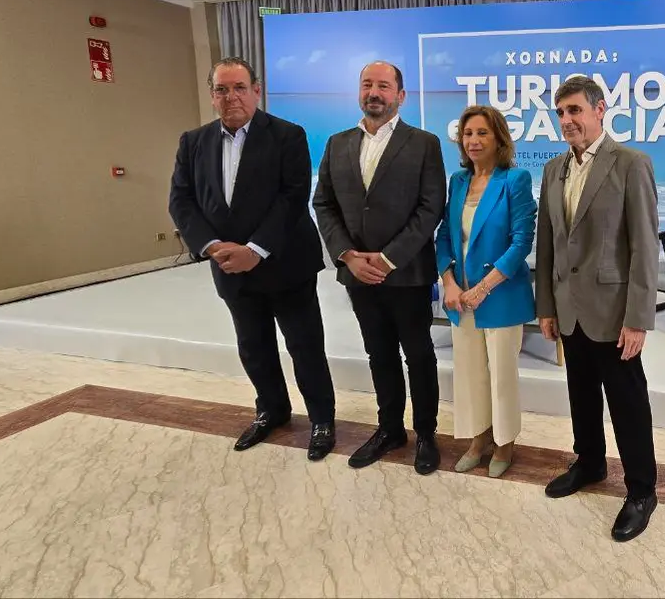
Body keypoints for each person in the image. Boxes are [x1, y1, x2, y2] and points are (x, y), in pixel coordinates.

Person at [168, 57, 337, 461]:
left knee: (305, 346)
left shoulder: (288, 135)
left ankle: (322, 420)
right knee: (253, 346)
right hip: (229, 266)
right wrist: (212, 246)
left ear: (256, 91)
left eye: (240, 88)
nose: (232, 97)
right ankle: (272, 410)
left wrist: (255, 250)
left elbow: (292, 198)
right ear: (212, 96)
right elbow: (181, 200)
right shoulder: (193, 142)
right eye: (222, 89)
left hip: (286, 265)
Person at [534, 75, 661, 542]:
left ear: (599, 109)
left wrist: (638, 318)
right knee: (581, 395)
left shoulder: (630, 163)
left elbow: (644, 246)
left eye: (575, 110)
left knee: (628, 403)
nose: (567, 120)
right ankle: (589, 463)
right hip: (569, 309)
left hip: (613, 312)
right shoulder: (553, 169)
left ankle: (642, 490)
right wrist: (545, 305)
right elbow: (547, 242)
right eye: (560, 112)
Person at [312, 60, 447, 475]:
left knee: (418, 355)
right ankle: (390, 429)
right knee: (379, 354)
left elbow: (430, 207)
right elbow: (324, 203)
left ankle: (425, 433)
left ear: (400, 96)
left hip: (406, 273)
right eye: (367, 84)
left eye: (384, 86)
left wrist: (388, 258)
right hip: (358, 274)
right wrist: (348, 255)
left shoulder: (424, 143)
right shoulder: (337, 143)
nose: (374, 92)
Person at [434, 105, 537, 478]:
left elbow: (521, 242)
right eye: (467, 134)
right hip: (460, 298)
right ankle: (478, 441)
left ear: (499, 138)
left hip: (500, 296)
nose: (473, 141)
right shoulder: (458, 181)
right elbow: (445, 237)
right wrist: (448, 282)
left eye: (482, 133)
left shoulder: (515, 179)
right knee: (470, 373)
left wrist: (482, 288)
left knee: (501, 376)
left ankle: (505, 443)